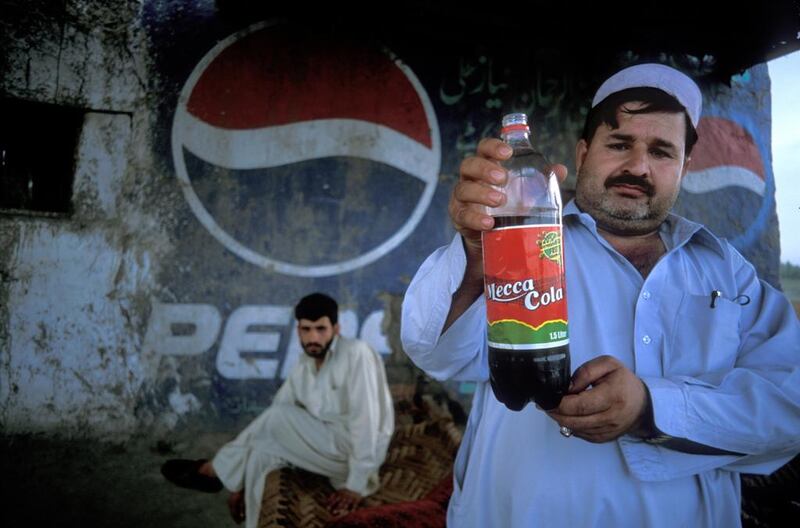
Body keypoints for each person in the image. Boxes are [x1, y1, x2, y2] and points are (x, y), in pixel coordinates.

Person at [401, 63, 800, 526]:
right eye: (620, 144)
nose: (638, 166)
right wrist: (475, 257)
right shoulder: (524, 241)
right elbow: (434, 351)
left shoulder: (727, 271)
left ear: (685, 167)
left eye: (662, 151)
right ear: (584, 152)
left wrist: (652, 408)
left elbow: (788, 407)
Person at [162, 292, 394, 527]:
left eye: (321, 329)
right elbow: (278, 409)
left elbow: (368, 425)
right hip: (324, 450)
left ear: (336, 329)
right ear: (298, 331)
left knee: (278, 418)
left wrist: (355, 486)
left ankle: (213, 470)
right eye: (306, 329)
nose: (313, 337)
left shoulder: (357, 354)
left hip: (353, 456)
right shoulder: (305, 364)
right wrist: (241, 480)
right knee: (262, 454)